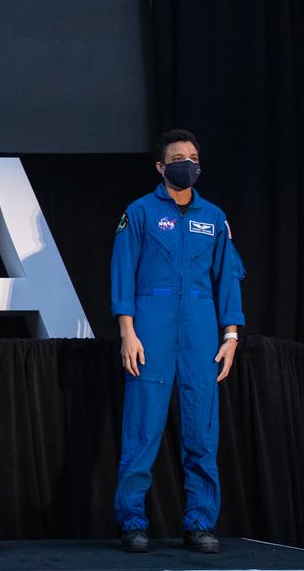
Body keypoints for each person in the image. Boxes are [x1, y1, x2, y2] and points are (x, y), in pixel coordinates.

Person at [112, 129, 245, 554]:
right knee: (143, 428)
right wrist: (127, 332)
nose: (186, 163)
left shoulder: (214, 216)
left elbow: (228, 277)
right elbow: (123, 274)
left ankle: (200, 523)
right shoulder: (139, 213)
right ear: (161, 166)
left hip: (201, 327)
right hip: (152, 322)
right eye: (177, 157)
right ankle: (133, 521)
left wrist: (231, 334)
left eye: (192, 156)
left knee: (202, 431)